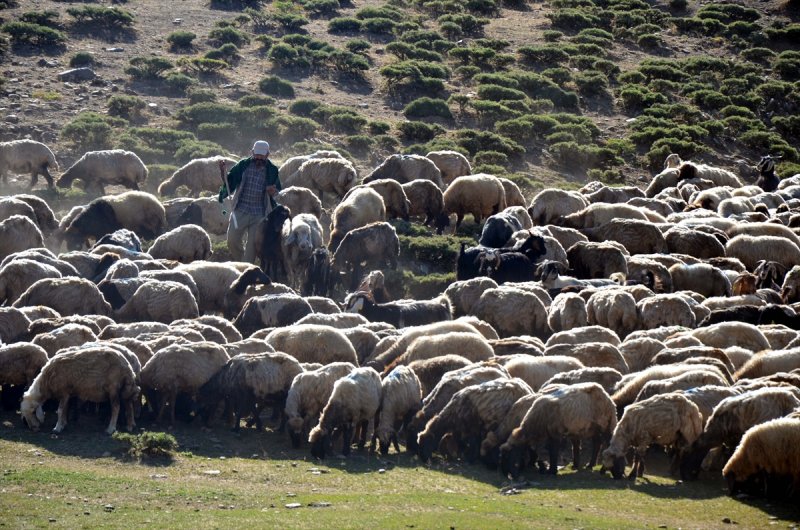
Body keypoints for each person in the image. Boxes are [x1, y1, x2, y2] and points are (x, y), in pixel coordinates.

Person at [218, 140, 281, 263]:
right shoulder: (243, 165)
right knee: (232, 240)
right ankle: (242, 262)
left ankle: (246, 269)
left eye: (262, 155)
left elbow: (278, 190)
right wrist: (222, 171)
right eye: (256, 154)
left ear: (267, 155)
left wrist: (272, 191)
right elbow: (229, 181)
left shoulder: (272, 170)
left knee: (251, 247)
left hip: (259, 214)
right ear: (252, 152)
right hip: (240, 210)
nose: (258, 157)